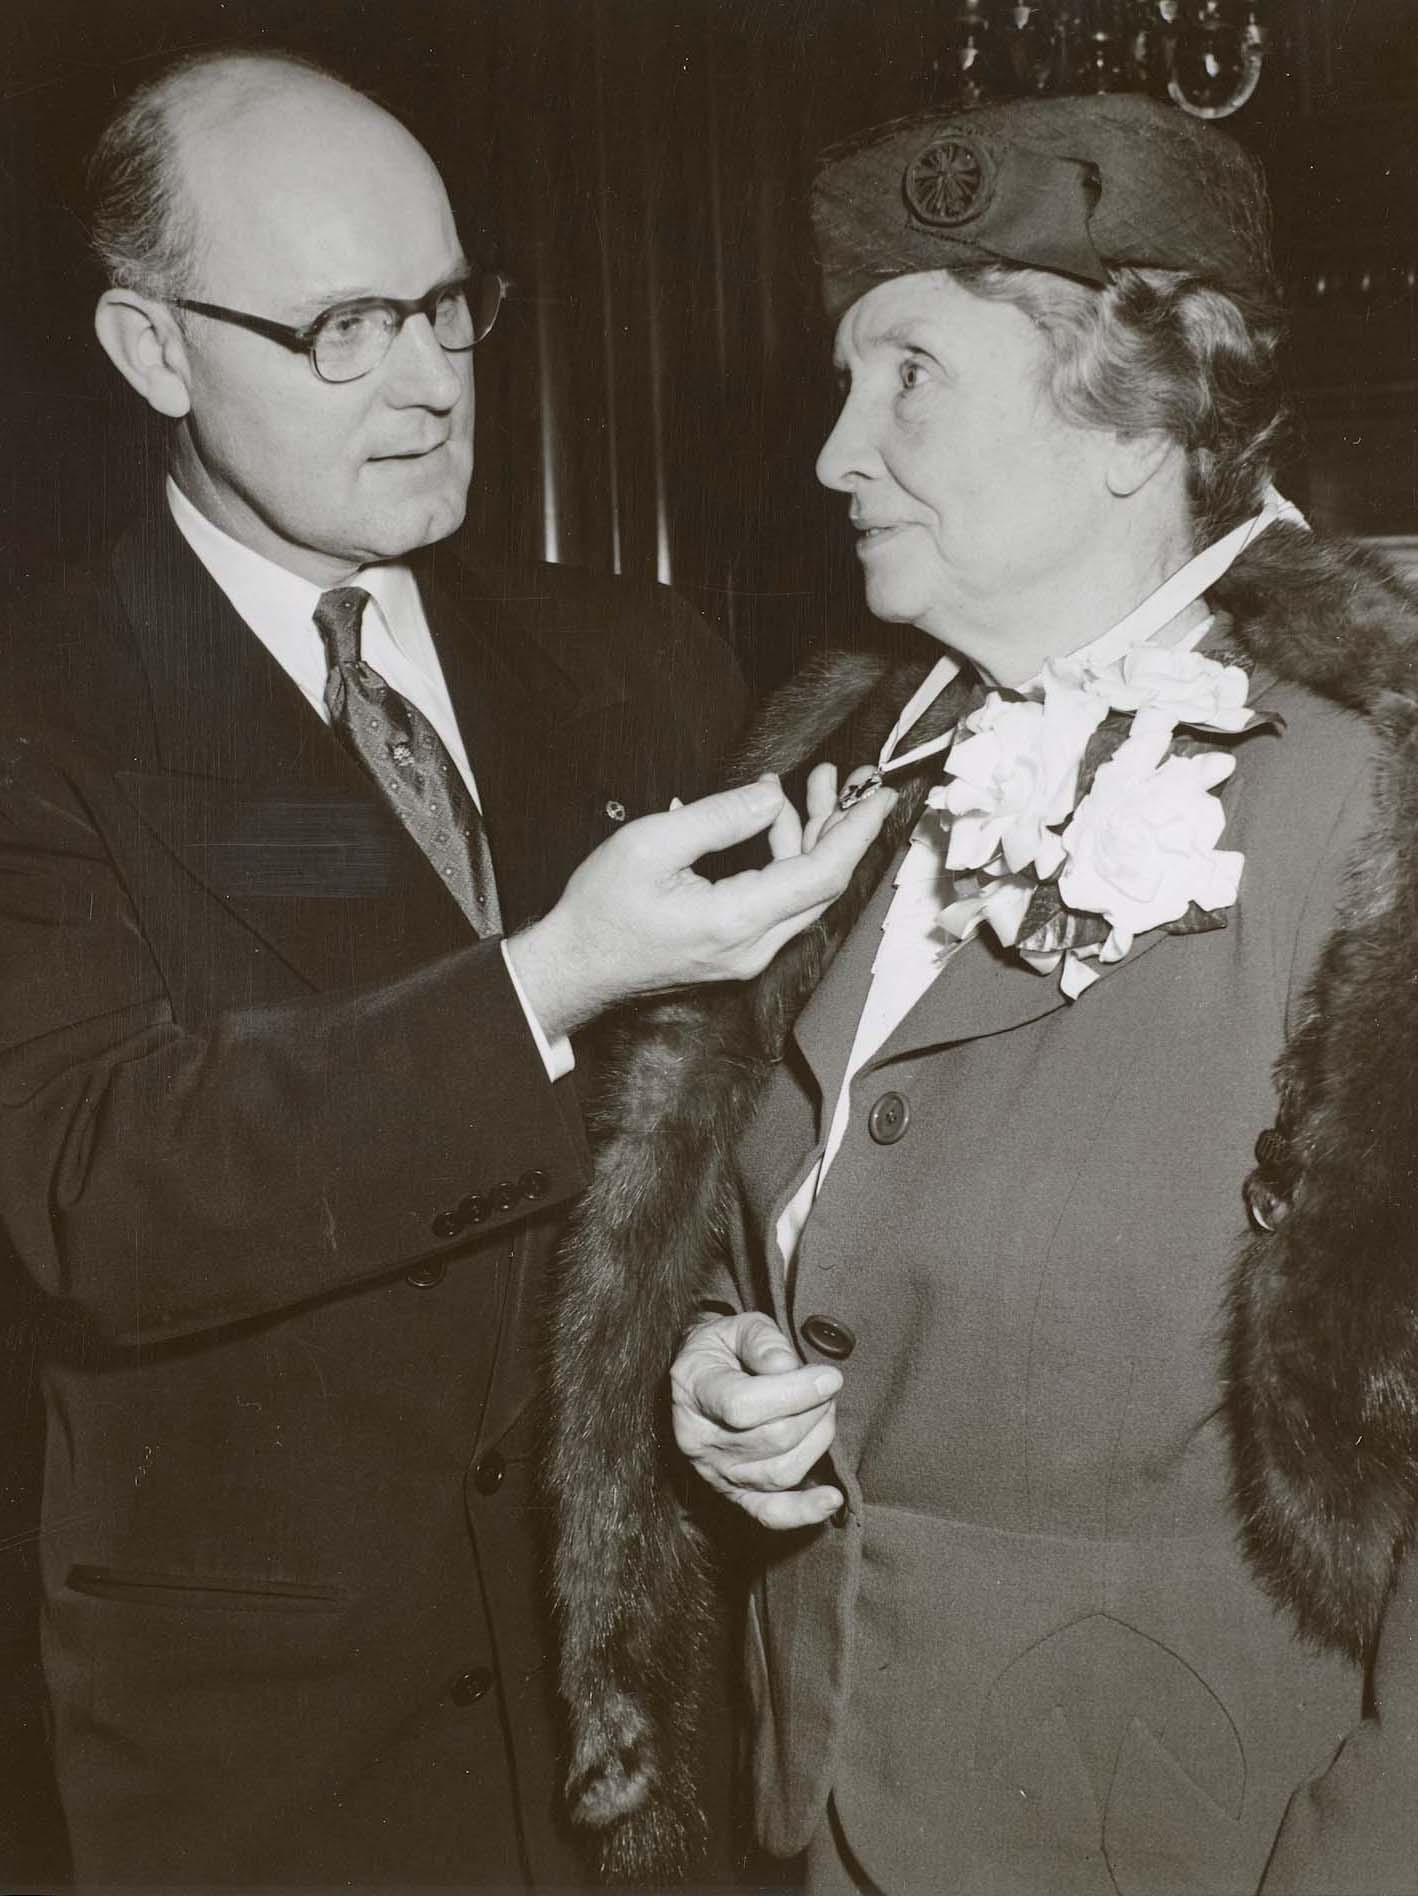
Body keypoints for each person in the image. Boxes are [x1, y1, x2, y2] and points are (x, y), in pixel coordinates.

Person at [0, 46, 896, 1890]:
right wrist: (547, 979)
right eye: (337, 326)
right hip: (271, 1750)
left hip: (642, 1709)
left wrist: (731, 1330)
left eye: (443, 307)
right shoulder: (45, 702)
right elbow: (94, 1186)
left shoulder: (635, 653)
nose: (422, 383)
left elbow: (752, 1147)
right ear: (152, 352)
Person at [551, 93, 1418, 1895]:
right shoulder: (856, 752)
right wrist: (718, 1360)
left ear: (1138, 417)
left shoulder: (1376, 791)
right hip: (825, 1799)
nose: (833, 456)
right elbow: (784, 1206)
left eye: (909, 378)